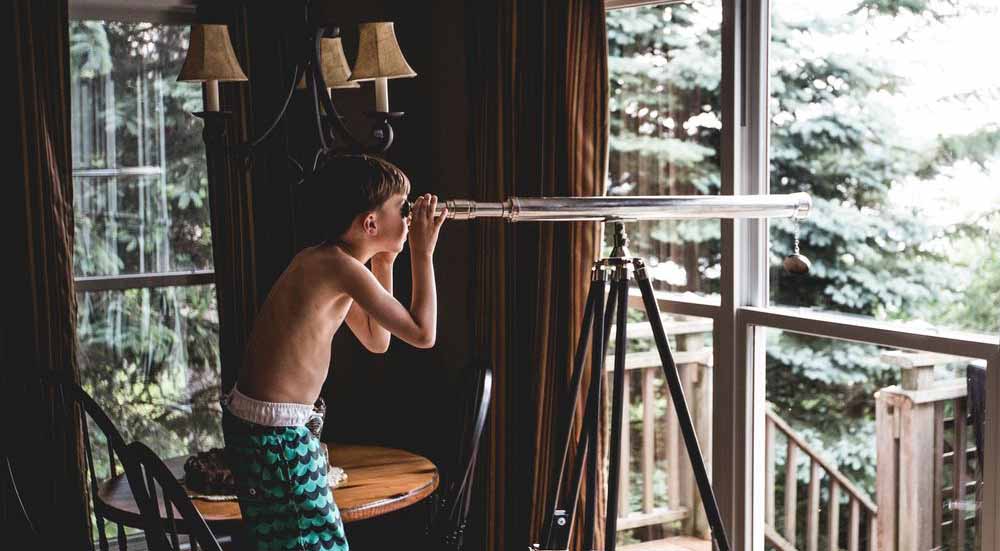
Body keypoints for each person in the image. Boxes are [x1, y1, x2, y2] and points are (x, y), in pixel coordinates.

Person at [221, 155, 447, 551]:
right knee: (317, 543)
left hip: (268, 427)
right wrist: (422, 252)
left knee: (291, 543)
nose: (411, 217)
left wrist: (387, 259)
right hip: (277, 433)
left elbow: (378, 340)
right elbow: (422, 333)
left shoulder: (328, 262)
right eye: (402, 207)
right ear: (370, 223)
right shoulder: (337, 267)